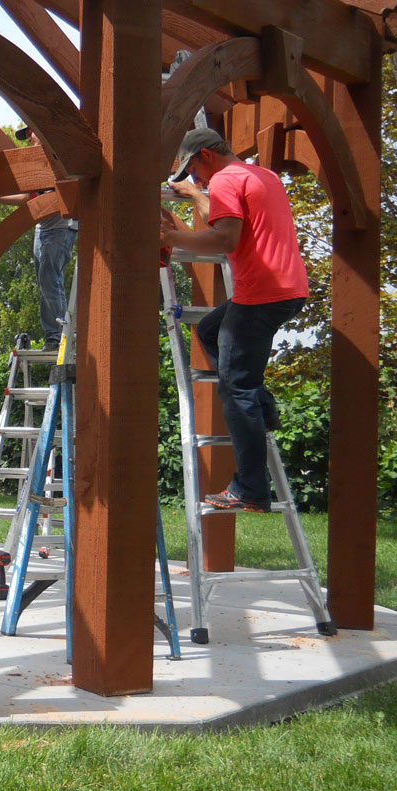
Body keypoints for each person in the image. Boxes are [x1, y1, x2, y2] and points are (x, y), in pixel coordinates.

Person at [160, 128, 308, 513]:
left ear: (206, 156)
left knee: (235, 389)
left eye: (193, 172)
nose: (195, 180)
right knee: (210, 329)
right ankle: (264, 407)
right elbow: (227, 221)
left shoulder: (224, 180)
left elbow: (224, 240)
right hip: (286, 288)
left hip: (260, 294)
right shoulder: (259, 176)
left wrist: (173, 236)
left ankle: (249, 489)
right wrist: (196, 196)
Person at [11, 125, 78, 351]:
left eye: (31, 132)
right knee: (44, 283)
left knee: (50, 278)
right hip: (42, 230)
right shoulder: (37, 166)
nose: (29, 138)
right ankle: (52, 335)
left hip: (61, 228)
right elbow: (26, 197)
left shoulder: (59, 159)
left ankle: (60, 333)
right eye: (27, 135)